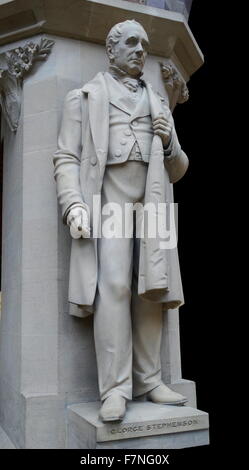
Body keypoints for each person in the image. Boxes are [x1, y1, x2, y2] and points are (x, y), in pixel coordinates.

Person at [53, 20, 189, 422]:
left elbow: (180, 168)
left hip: (155, 203)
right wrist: (72, 203)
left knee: (153, 286)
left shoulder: (159, 101)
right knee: (113, 285)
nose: (140, 50)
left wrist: (168, 142)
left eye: (144, 45)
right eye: (131, 43)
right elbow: (65, 157)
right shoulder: (85, 96)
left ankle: (150, 380)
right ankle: (115, 388)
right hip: (109, 200)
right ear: (110, 50)